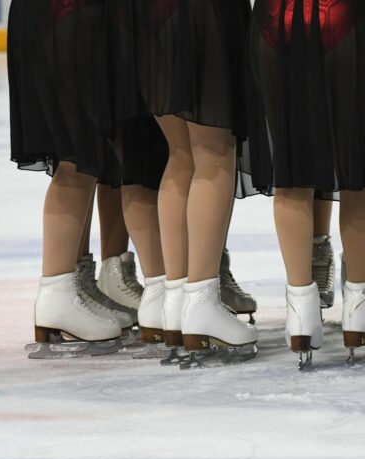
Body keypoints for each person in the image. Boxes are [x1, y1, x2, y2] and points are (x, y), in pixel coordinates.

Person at [8, 0, 167, 358]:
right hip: (71, 16)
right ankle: (58, 291)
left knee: (80, 158)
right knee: (77, 160)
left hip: (49, 15)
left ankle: (68, 286)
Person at [109, 0, 258, 367]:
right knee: (213, 151)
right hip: (201, 12)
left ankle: (175, 300)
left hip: (145, 17)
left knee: (180, 153)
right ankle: (202, 301)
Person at [245, 0, 365, 368]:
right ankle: (359, 306)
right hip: (346, 19)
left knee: (291, 173)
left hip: (276, 22)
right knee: (356, 170)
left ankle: (300, 312)